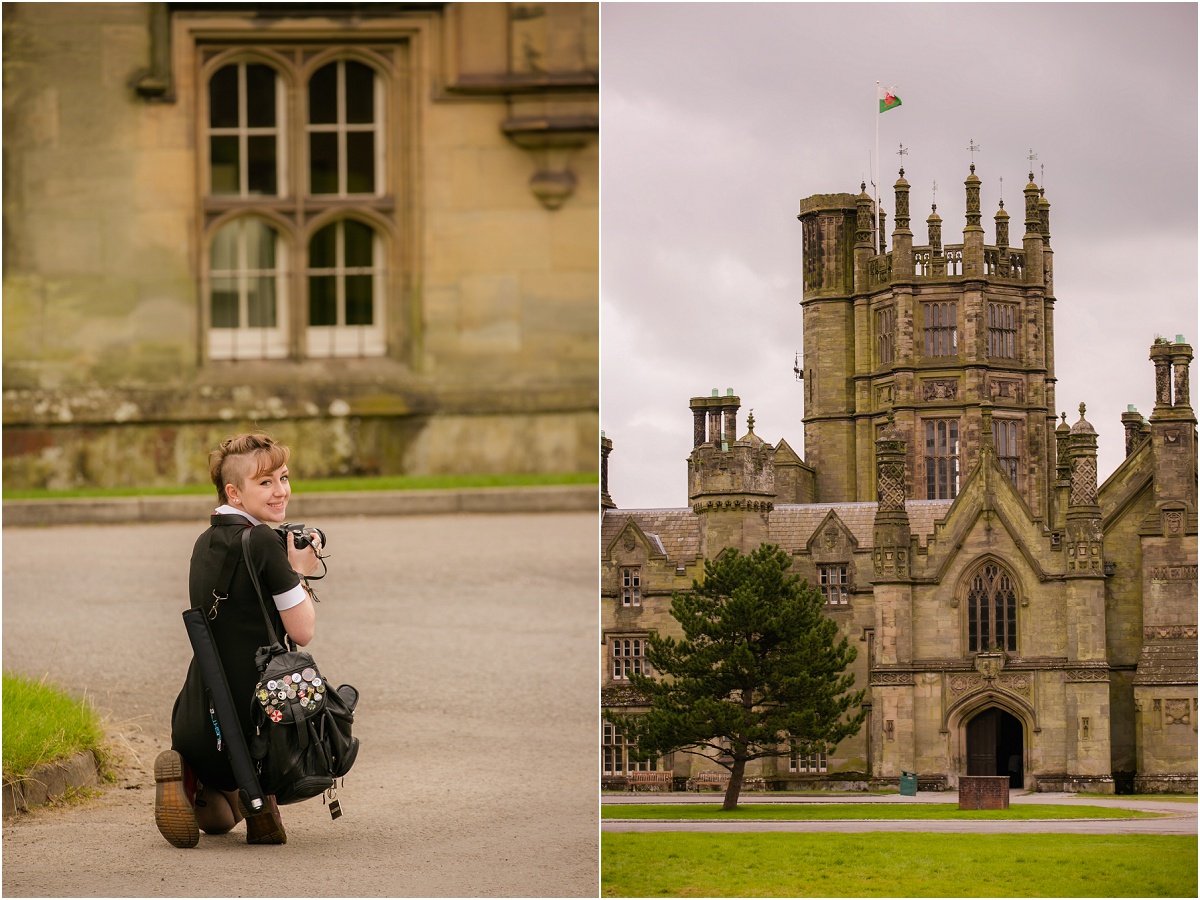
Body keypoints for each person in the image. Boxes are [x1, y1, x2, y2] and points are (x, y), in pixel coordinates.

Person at [155, 433, 324, 847]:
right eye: (265, 483)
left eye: (283, 478)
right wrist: (298, 570)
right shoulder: (264, 542)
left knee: (218, 823)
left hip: (199, 718)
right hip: (257, 724)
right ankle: (256, 800)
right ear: (234, 491)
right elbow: (303, 631)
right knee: (244, 803)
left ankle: (192, 779)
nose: (281, 491)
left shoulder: (203, 543)